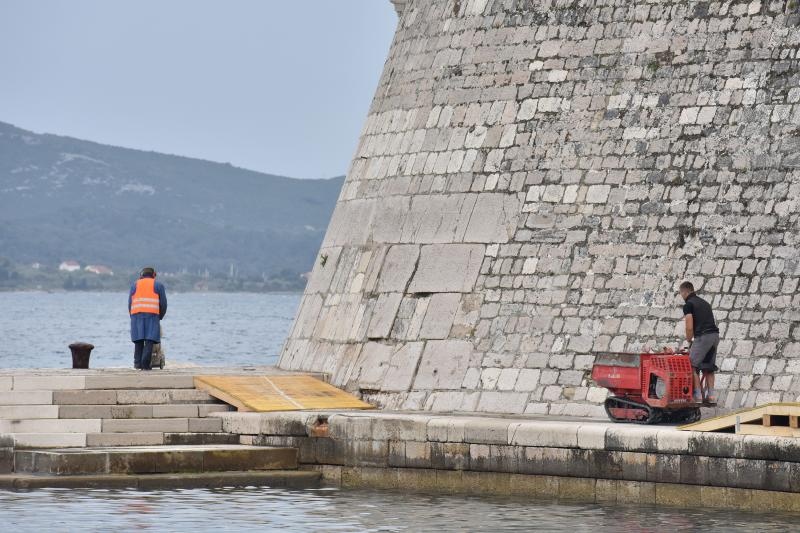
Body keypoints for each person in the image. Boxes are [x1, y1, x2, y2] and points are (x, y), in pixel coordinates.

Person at [679, 281, 719, 403]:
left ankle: (697, 396)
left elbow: (689, 325)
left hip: (703, 336)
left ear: (685, 292)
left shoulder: (688, 305)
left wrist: (689, 338)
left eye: (681, 293)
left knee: (691, 365)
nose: (681, 296)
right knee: (709, 367)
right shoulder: (705, 303)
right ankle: (711, 396)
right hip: (715, 336)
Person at [128, 267, 167, 370]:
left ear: (141, 275)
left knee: (138, 340)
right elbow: (163, 304)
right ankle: (145, 365)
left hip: (136, 315)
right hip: (152, 315)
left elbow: (130, 303)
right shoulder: (158, 285)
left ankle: (137, 364)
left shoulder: (134, 285)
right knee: (150, 340)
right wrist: (160, 316)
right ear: (154, 274)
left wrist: (132, 316)